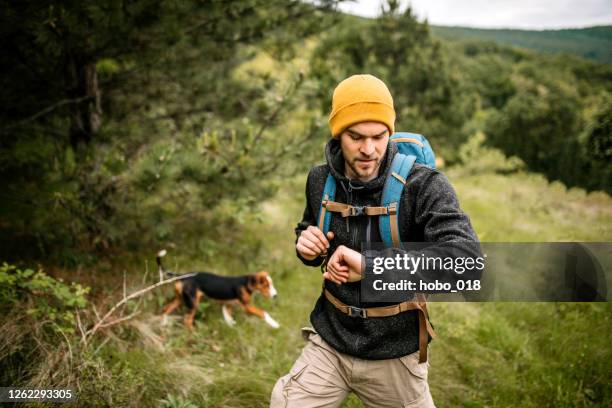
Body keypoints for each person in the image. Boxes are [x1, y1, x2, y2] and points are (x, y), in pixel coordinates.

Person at [270, 74, 479, 408]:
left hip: (396, 353)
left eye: (379, 136)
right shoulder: (319, 179)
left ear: (390, 132)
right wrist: (306, 245)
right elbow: (309, 227)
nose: (369, 150)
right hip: (330, 341)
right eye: (356, 137)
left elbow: (466, 261)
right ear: (338, 134)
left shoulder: (423, 185)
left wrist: (369, 267)